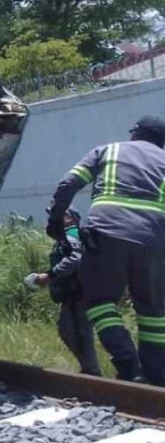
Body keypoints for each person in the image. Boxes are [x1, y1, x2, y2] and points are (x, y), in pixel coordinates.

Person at [47, 116, 165, 385]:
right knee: (153, 313)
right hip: (154, 242)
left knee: (99, 302)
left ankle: (128, 366)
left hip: (107, 235)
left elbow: (68, 184)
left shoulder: (108, 151)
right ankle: (157, 377)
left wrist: (56, 220)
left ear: (135, 135)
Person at [26, 207, 101, 376]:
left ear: (71, 218)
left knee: (81, 333)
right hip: (72, 293)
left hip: (79, 293)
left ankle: (92, 372)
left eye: (61, 215)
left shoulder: (71, 235)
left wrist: (49, 276)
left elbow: (75, 258)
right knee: (68, 330)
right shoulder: (66, 237)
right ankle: (89, 368)